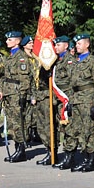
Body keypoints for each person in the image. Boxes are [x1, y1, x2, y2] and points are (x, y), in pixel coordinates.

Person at [65, 34, 94, 172]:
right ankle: (84, 158)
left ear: (87, 44)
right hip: (76, 100)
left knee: (89, 130)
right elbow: (71, 84)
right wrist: (70, 101)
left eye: (79, 43)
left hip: (88, 100)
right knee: (78, 130)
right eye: (76, 44)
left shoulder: (93, 61)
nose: (77, 46)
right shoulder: (75, 62)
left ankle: (92, 160)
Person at [36, 36, 70, 165]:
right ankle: (51, 153)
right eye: (54, 45)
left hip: (64, 99)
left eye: (58, 45)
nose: (55, 48)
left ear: (66, 46)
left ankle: (68, 156)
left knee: (65, 128)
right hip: (53, 98)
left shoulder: (69, 61)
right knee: (48, 126)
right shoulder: (54, 61)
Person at [0, 31, 32, 162]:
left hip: (16, 94)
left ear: (17, 41)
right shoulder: (10, 57)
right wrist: (2, 90)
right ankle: (17, 148)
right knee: (13, 123)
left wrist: (22, 95)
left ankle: (21, 150)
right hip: (9, 93)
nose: (7, 42)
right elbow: (5, 77)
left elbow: (24, 79)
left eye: (10, 40)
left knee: (18, 123)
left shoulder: (21, 58)